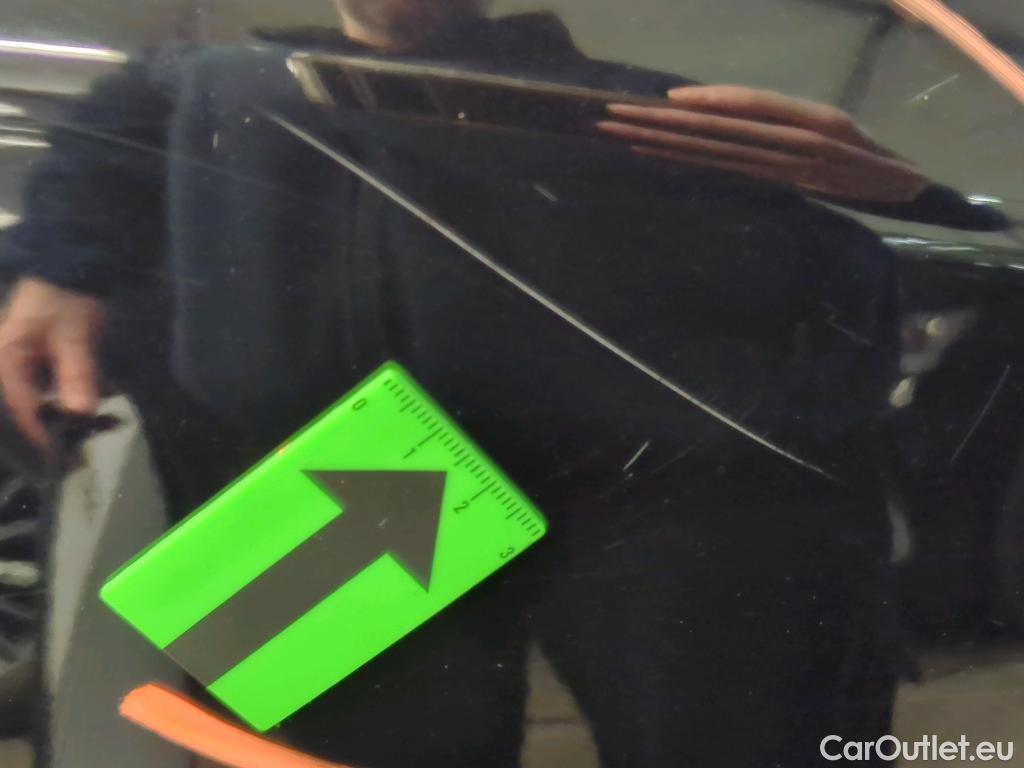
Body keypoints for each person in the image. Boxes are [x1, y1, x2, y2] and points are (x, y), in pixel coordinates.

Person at [0, 1, 905, 765]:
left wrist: (893, 194)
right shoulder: (221, 86)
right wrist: (58, 263)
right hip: (358, 480)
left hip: (646, 489)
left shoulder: (643, 106)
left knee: (738, 737)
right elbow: (123, 118)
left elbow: (846, 284)